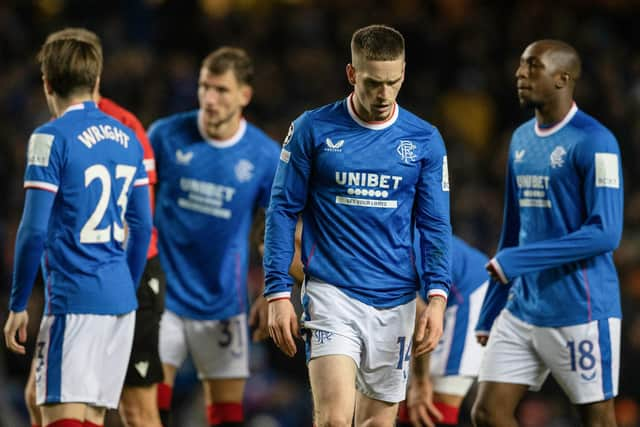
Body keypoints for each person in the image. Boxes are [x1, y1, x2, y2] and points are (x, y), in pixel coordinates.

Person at [264, 24, 452, 427]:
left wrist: (437, 297)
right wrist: (277, 290)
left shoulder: (424, 140)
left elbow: (435, 225)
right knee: (333, 418)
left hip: (396, 301)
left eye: (393, 82)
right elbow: (282, 209)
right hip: (332, 294)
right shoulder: (313, 129)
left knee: (376, 424)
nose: (384, 95)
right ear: (352, 74)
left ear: (403, 74)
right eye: (373, 83)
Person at [471, 40, 623, 427]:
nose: (520, 74)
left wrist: (517, 261)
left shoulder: (596, 141)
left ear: (562, 78)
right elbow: (512, 229)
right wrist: (491, 310)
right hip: (523, 307)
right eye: (521, 65)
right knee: (488, 413)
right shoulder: (520, 139)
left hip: (580, 309)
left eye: (532, 66)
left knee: (598, 420)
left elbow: (605, 234)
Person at [3, 35, 152, 427]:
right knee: (89, 417)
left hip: (74, 301)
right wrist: (125, 285)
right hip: (120, 304)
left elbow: (33, 230)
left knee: (58, 416)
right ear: (97, 78)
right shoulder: (129, 138)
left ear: (47, 82)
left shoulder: (48, 137)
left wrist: (18, 304)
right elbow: (142, 225)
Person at [149, 46, 280, 427]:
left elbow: (276, 224)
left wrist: (274, 288)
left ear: (244, 95)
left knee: (226, 417)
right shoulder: (165, 136)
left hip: (224, 302)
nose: (209, 98)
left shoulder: (263, 155)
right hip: (163, 298)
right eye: (204, 86)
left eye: (221, 90)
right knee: (146, 411)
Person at [397, 235, 489, 427]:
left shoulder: (385, 252)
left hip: (467, 291)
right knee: (405, 400)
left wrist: (421, 381)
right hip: (433, 296)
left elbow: (419, 316)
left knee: (434, 402)